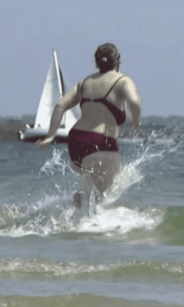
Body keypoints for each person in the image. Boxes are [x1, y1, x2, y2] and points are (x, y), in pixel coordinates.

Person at [36, 43, 141, 209]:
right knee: (106, 193)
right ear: (117, 61)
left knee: (89, 182)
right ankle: (91, 224)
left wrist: (50, 136)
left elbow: (59, 106)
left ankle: (79, 214)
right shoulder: (123, 81)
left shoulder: (84, 83)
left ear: (96, 62)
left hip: (76, 142)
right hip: (100, 142)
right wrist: (135, 121)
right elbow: (134, 102)